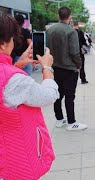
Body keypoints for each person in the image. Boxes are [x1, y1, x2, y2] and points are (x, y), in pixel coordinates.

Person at [0, 11, 58, 179]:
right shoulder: (14, 81)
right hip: (11, 163)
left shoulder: (11, 77)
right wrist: (47, 67)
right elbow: (48, 95)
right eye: (12, 39)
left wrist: (16, 66)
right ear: (3, 44)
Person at [46, 7, 88, 130]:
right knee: (70, 96)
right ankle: (71, 122)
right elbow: (75, 52)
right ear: (69, 17)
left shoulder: (50, 30)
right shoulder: (71, 31)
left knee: (57, 95)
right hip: (69, 69)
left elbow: (46, 48)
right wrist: (79, 65)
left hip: (54, 68)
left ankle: (59, 119)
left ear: (59, 16)